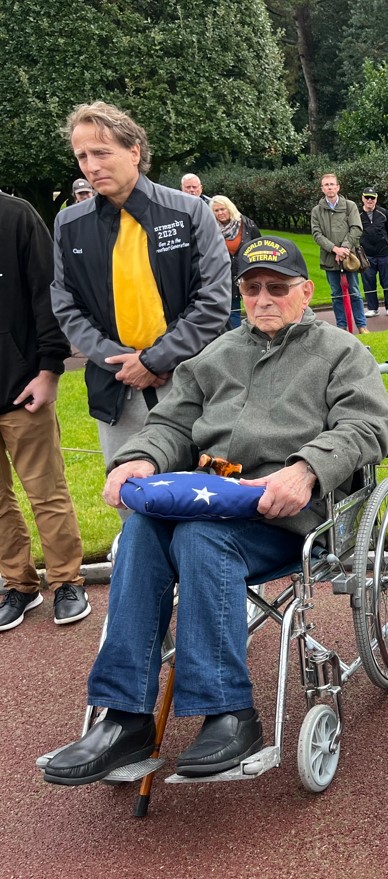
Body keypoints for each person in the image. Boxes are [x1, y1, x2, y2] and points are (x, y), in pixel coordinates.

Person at [42, 235, 388, 786]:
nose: (264, 299)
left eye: (277, 288)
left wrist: (305, 469)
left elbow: (367, 427)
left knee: (198, 539)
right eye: (252, 288)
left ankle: (230, 712)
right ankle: (124, 716)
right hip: (208, 503)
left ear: (305, 293)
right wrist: (138, 458)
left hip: (285, 516)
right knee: (140, 533)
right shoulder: (217, 354)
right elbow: (171, 424)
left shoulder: (341, 352)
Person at [51, 101, 230, 479]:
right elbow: (67, 305)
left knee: (205, 500)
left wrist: (153, 360)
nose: (91, 166)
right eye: (82, 155)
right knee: (130, 502)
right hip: (116, 388)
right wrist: (119, 361)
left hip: (190, 382)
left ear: (134, 151)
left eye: (101, 152)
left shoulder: (189, 211)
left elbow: (214, 299)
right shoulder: (68, 224)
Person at [0, 193, 89, 632]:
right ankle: (18, 584)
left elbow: (47, 295)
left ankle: (67, 582)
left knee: (46, 492)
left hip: (21, 386)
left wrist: (50, 368)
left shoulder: (16, 216)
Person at [310, 173, 368, 334]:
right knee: (336, 294)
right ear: (322, 189)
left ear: (338, 187)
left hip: (350, 258)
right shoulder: (317, 211)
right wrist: (334, 249)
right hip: (330, 258)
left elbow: (356, 228)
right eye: (326, 185)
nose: (329, 187)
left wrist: (344, 249)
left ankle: (362, 325)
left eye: (332, 184)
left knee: (355, 292)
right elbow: (316, 234)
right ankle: (341, 327)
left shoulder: (350, 206)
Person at [210, 195, 261, 329]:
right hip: (224, 275)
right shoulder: (210, 229)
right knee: (232, 309)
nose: (220, 213)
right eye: (216, 210)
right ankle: (237, 339)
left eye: (223, 209)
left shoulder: (247, 224)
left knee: (256, 306)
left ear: (229, 208)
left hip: (247, 272)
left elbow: (258, 245)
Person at [358, 186, 388, 318]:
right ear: (363, 198)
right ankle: (372, 308)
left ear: (376, 199)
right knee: (368, 281)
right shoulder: (357, 214)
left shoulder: (383, 213)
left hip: (384, 253)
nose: (369, 200)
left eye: (372, 198)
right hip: (366, 254)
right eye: (367, 197)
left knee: (387, 280)